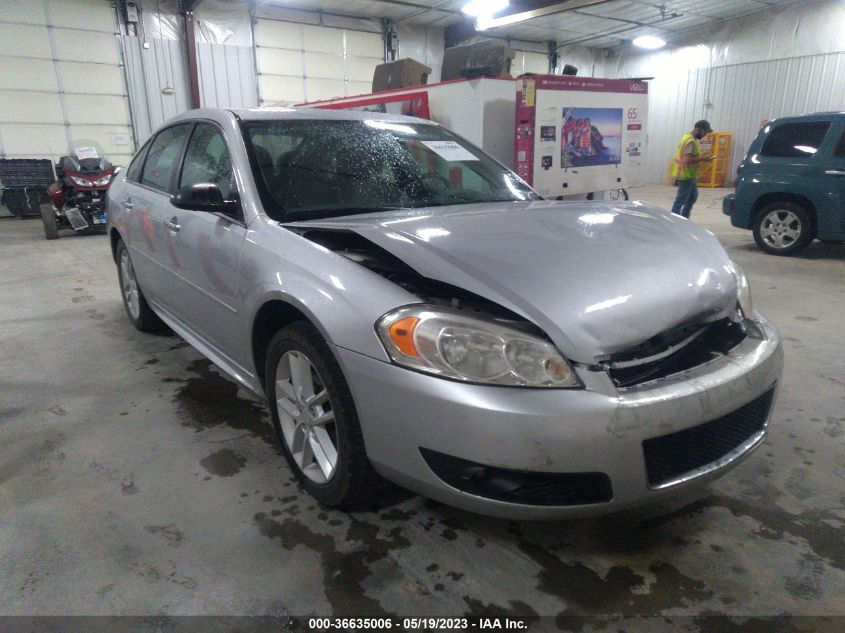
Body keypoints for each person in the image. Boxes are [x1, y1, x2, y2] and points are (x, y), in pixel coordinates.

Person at [670, 120, 715, 218]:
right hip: (686, 174)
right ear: (698, 129)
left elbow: (690, 156)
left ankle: (685, 218)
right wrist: (704, 158)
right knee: (681, 200)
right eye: (705, 132)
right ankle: (674, 220)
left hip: (690, 174)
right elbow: (688, 159)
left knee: (692, 197)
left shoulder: (688, 138)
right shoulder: (691, 141)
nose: (705, 134)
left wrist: (703, 156)